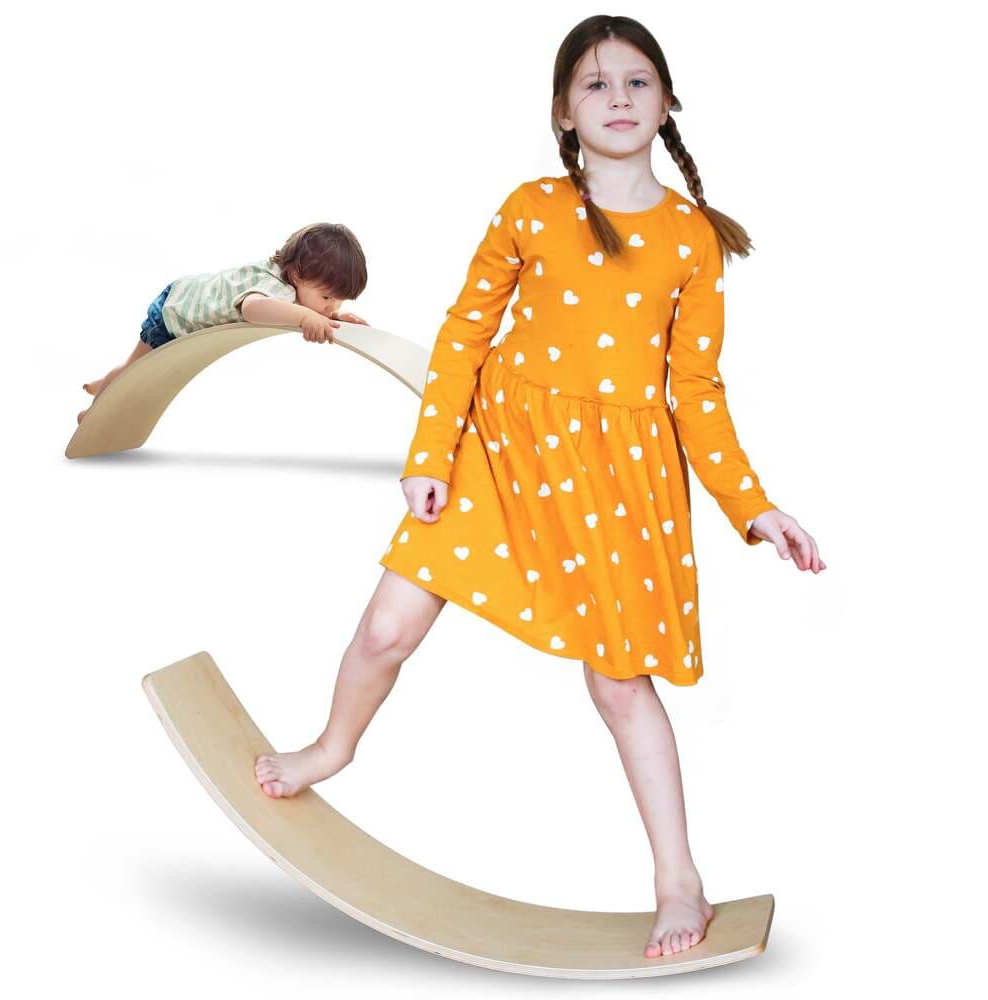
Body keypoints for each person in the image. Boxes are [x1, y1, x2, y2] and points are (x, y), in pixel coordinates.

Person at [254, 14, 825, 960]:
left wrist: (750, 504)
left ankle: (678, 878)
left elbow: (696, 388)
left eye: (637, 83)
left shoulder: (692, 239)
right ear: (563, 111)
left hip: (615, 480)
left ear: (668, 102)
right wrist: (430, 459)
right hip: (503, 454)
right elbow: (465, 336)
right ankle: (333, 745)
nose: (617, 100)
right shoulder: (529, 208)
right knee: (389, 626)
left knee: (620, 685)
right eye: (595, 86)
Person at [77, 222, 370, 423]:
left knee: (132, 369)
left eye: (339, 301)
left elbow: (301, 307)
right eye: (327, 297)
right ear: (296, 277)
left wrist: (331, 318)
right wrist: (308, 316)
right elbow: (254, 308)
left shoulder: (293, 282)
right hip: (174, 312)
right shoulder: (274, 288)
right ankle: (94, 411)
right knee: (133, 371)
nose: (331, 306)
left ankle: (103, 382)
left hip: (184, 296)